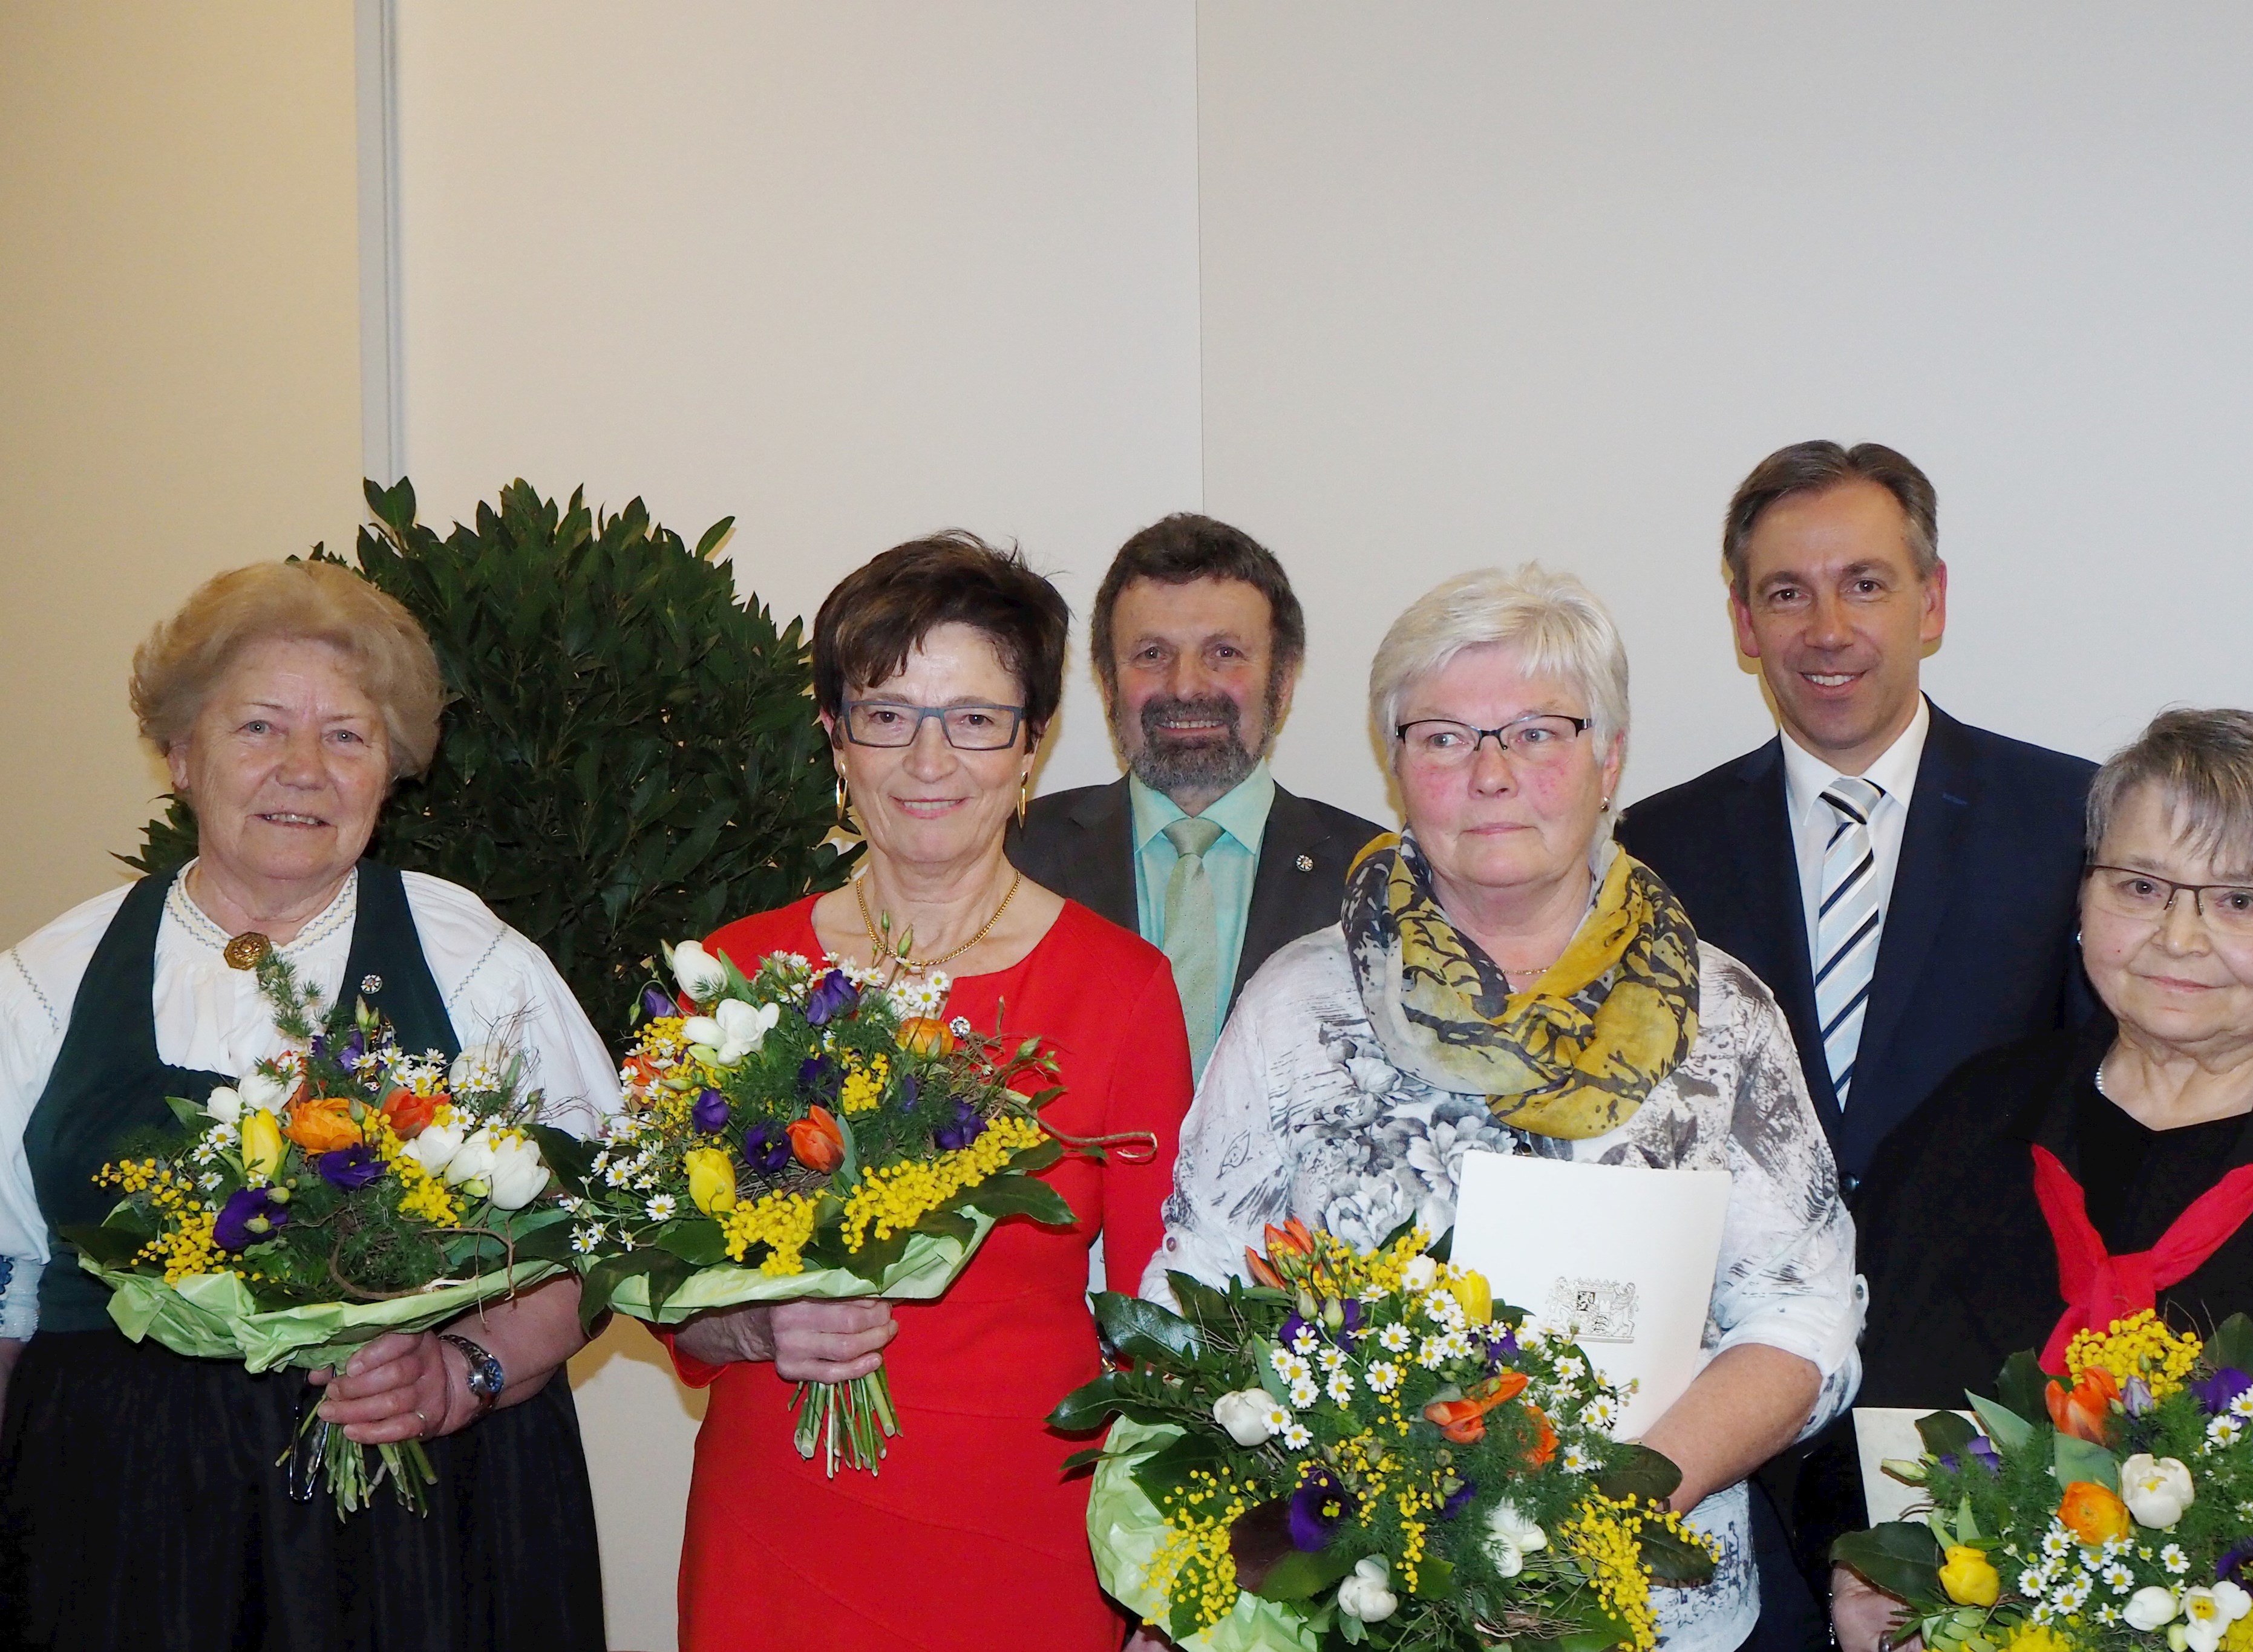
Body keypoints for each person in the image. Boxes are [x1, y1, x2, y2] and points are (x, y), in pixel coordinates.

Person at [1146, 564, 1863, 1652]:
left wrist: (1619, 1506)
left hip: (1648, 1613)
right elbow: (1192, 1298)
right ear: (1396, 768)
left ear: (1609, 757)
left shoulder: (1725, 1017)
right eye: (1442, 737)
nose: (1490, 775)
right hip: (1344, 1612)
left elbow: (1805, 1319)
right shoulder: (1298, 1006)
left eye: (1537, 732)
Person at [0, 560, 616, 1651]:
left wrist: (464, 1369)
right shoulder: (46, 982)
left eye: (347, 735)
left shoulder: (477, 964)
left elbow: (596, 1233)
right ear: (182, 756)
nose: (304, 769)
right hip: (124, 1525)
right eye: (259, 728)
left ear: (393, 769)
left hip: (421, 1516)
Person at [1824, 708, 2253, 1651]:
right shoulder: (1966, 1124)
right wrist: (1857, 1565)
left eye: (2243, 899)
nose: (2180, 938)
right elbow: (1834, 1395)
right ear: (2083, 895)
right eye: (2141, 886)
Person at [665, 532, 1192, 1651]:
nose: (929, 759)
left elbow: (1160, 1324)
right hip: (779, 1524)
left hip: (1024, 1534)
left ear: (1030, 747)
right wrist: (753, 1325)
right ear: (836, 741)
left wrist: (1167, 1577)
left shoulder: (1122, 990)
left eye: (974, 717)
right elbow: (671, 1308)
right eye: (887, 713)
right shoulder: (734, 974)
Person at [1618, 441, 2094, 1192]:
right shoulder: (1658, 848)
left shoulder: (2068, 821)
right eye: (1786, 594)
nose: (1828, 630)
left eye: (1864, 585)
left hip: (1992, 1297)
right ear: (1745, 623)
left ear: (1931, 601)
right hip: (1739, 1302)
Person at [1010, 514, 1384, 1078]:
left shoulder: (1378, 877)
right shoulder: (1013, 858)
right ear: (1109, 683)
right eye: (1152, 654)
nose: (1186, 686)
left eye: (1225, 653)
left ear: (1282, 684)